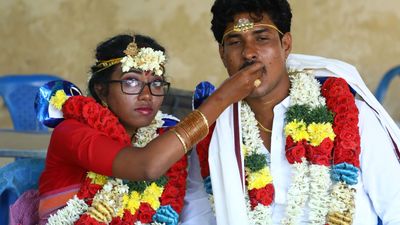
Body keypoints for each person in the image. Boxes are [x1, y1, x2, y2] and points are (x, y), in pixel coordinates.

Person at [180, 1, 400, 225]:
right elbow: (198, 215)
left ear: (285, 44)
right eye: (235, 42)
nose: (249, 53)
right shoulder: (216, 131)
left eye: (262, 37)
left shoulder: (353, 117)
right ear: (222, 54)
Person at [10, 33, 263, 225]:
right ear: (101, 89)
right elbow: (146, 166)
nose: (146, 95)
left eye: (156, 83)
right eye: (131, 81)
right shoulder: (72, 132)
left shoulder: (163, 135)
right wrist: (221, 100)